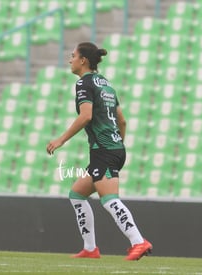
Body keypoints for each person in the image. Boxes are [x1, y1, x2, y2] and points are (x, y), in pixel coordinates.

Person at [46, 42, 152, 261]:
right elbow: (122, 120)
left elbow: (86, 116)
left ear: (83, 60)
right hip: (113, 148)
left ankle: (139, 241)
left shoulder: (84, 83)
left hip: (104, 150)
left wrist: (61, 140)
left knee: (109, 199)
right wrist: (116, 144)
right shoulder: (106, 84)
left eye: (72, 55)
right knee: (77, 195)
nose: (70, 59)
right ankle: (90, 248)